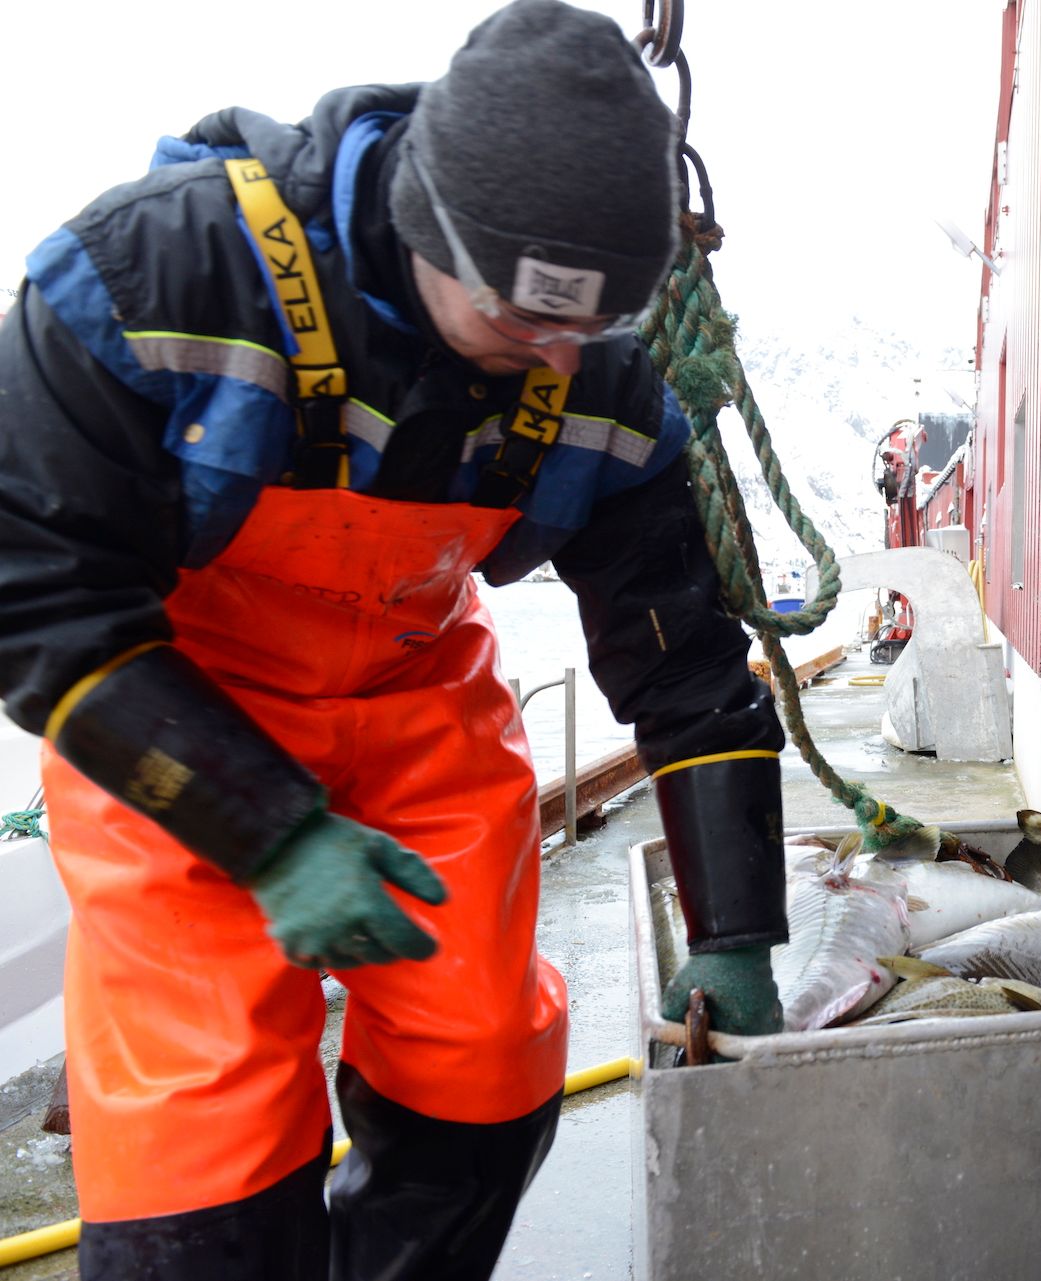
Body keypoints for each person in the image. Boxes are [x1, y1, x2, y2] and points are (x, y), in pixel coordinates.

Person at [0, 2, 787, 1276]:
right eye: (525, 318)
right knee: (199, 1131)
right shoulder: (148, 279)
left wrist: (737, 930)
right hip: (170, 716)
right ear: (428, 224)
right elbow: (37, 596)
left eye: (590, 328)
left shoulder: (599, 379)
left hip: (417, 710)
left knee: (483, 1064)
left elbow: (687, 664)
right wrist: (269, 830)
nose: (558, 356)